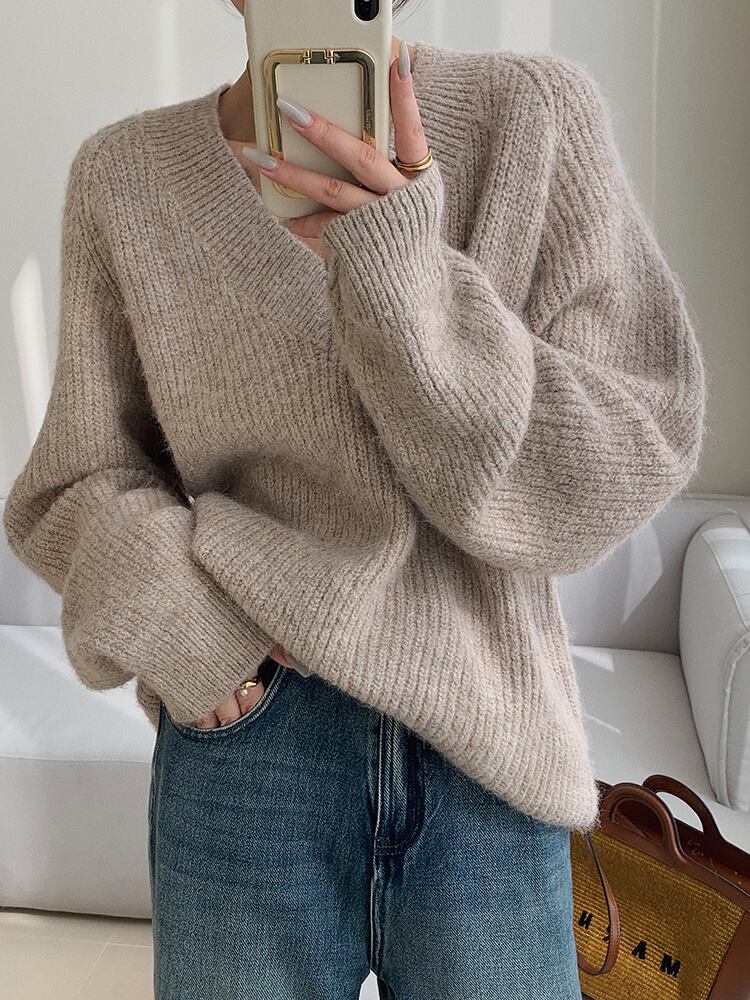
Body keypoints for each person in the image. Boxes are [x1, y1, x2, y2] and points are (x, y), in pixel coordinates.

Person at [2, 1, 707, 996]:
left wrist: (406, 275)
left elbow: (631, 446)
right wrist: (196, 639)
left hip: (490, 748)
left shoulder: (532, 119)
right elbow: (75, 483)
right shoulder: (127, 177)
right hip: (248, 747)